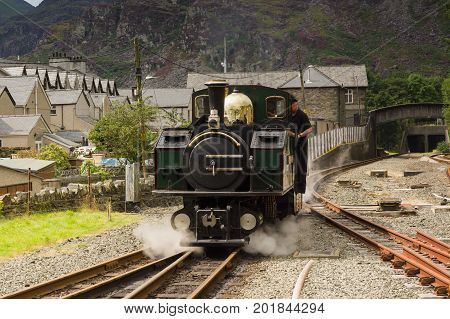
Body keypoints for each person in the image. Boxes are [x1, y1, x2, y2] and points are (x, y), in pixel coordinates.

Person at [289, 99, 313, 195]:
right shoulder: (288, 116)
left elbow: (310, 129)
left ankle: (300, 188)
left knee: (301, 164)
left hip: (301, 143)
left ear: (296, 105)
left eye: (294, 105)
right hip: (291, 142)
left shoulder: (302, 115)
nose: (293, 107)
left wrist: (300, 135)